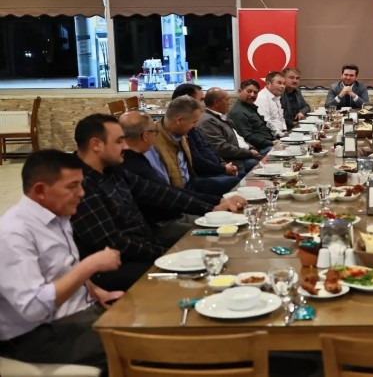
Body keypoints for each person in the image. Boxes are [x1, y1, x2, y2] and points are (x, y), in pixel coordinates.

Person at [71, 114, 241, 291]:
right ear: (96, 145)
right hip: (115, 267)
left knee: (212, 251)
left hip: (142, 247)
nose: (125, 146)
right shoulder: (78, 183)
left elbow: (158, 192)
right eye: (119, 141)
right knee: (199, 273)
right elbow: (113, 243)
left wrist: (214, 205)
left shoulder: (112, 170)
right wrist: (167, 254)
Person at [0, 150, 122, 373]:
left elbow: (63, 268)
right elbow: (32, 308)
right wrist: (90, 265)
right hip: (37, 335)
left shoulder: (57, 215)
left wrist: (96, 291)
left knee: (151, 321)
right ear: (40, 190)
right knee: (140, 344)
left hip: (76, 315)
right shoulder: (13, 233)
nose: (81, 193)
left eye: (81, 184)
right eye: (72, 186)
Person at [153, 95, 239, 197]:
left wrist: (222, 165)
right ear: (179, 120)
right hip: (177, 194)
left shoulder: (181, 134)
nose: (195, 126)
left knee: (236, 183)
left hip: (191, 184)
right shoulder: (152, 141)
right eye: (194, 122)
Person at [171, 83, 241, 180]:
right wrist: (223, 169)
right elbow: (198, 161)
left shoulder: (192, 125)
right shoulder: (184, 128)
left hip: (215, 168)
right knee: (235, 179)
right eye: (201, 100)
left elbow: (207, 148)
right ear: (186, 102)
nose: (204, 104)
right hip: (201, 176)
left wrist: (223, 164)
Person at [197, 87, 261, 172]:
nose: (229, 103)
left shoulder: (223, 118)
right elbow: (222, 148)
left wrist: (251, 148)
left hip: (244, 154)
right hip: (232, 162)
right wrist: (249, 152)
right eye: (227, 100)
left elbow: (240, 139)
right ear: (216, 103)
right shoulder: (207, 121)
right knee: (259, 164)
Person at [229, 79, 277, 152]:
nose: (252, 95)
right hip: (259, 149)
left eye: (255, 92)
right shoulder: (238, 112)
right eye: (249, 91)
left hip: (268, 143)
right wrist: (271, 143)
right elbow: (247, 137)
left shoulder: (250, 107)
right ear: (240, 91)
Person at [256, 71, 289, 138]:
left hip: (281, 134)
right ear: (268, 83)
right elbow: (266, 121)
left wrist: (284, 130)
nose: (283, 86)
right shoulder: (262, 98)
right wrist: (281, 135)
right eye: (279, 83)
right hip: (270, 137)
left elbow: (281, 118)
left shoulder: (276, 97)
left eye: (284, 84)